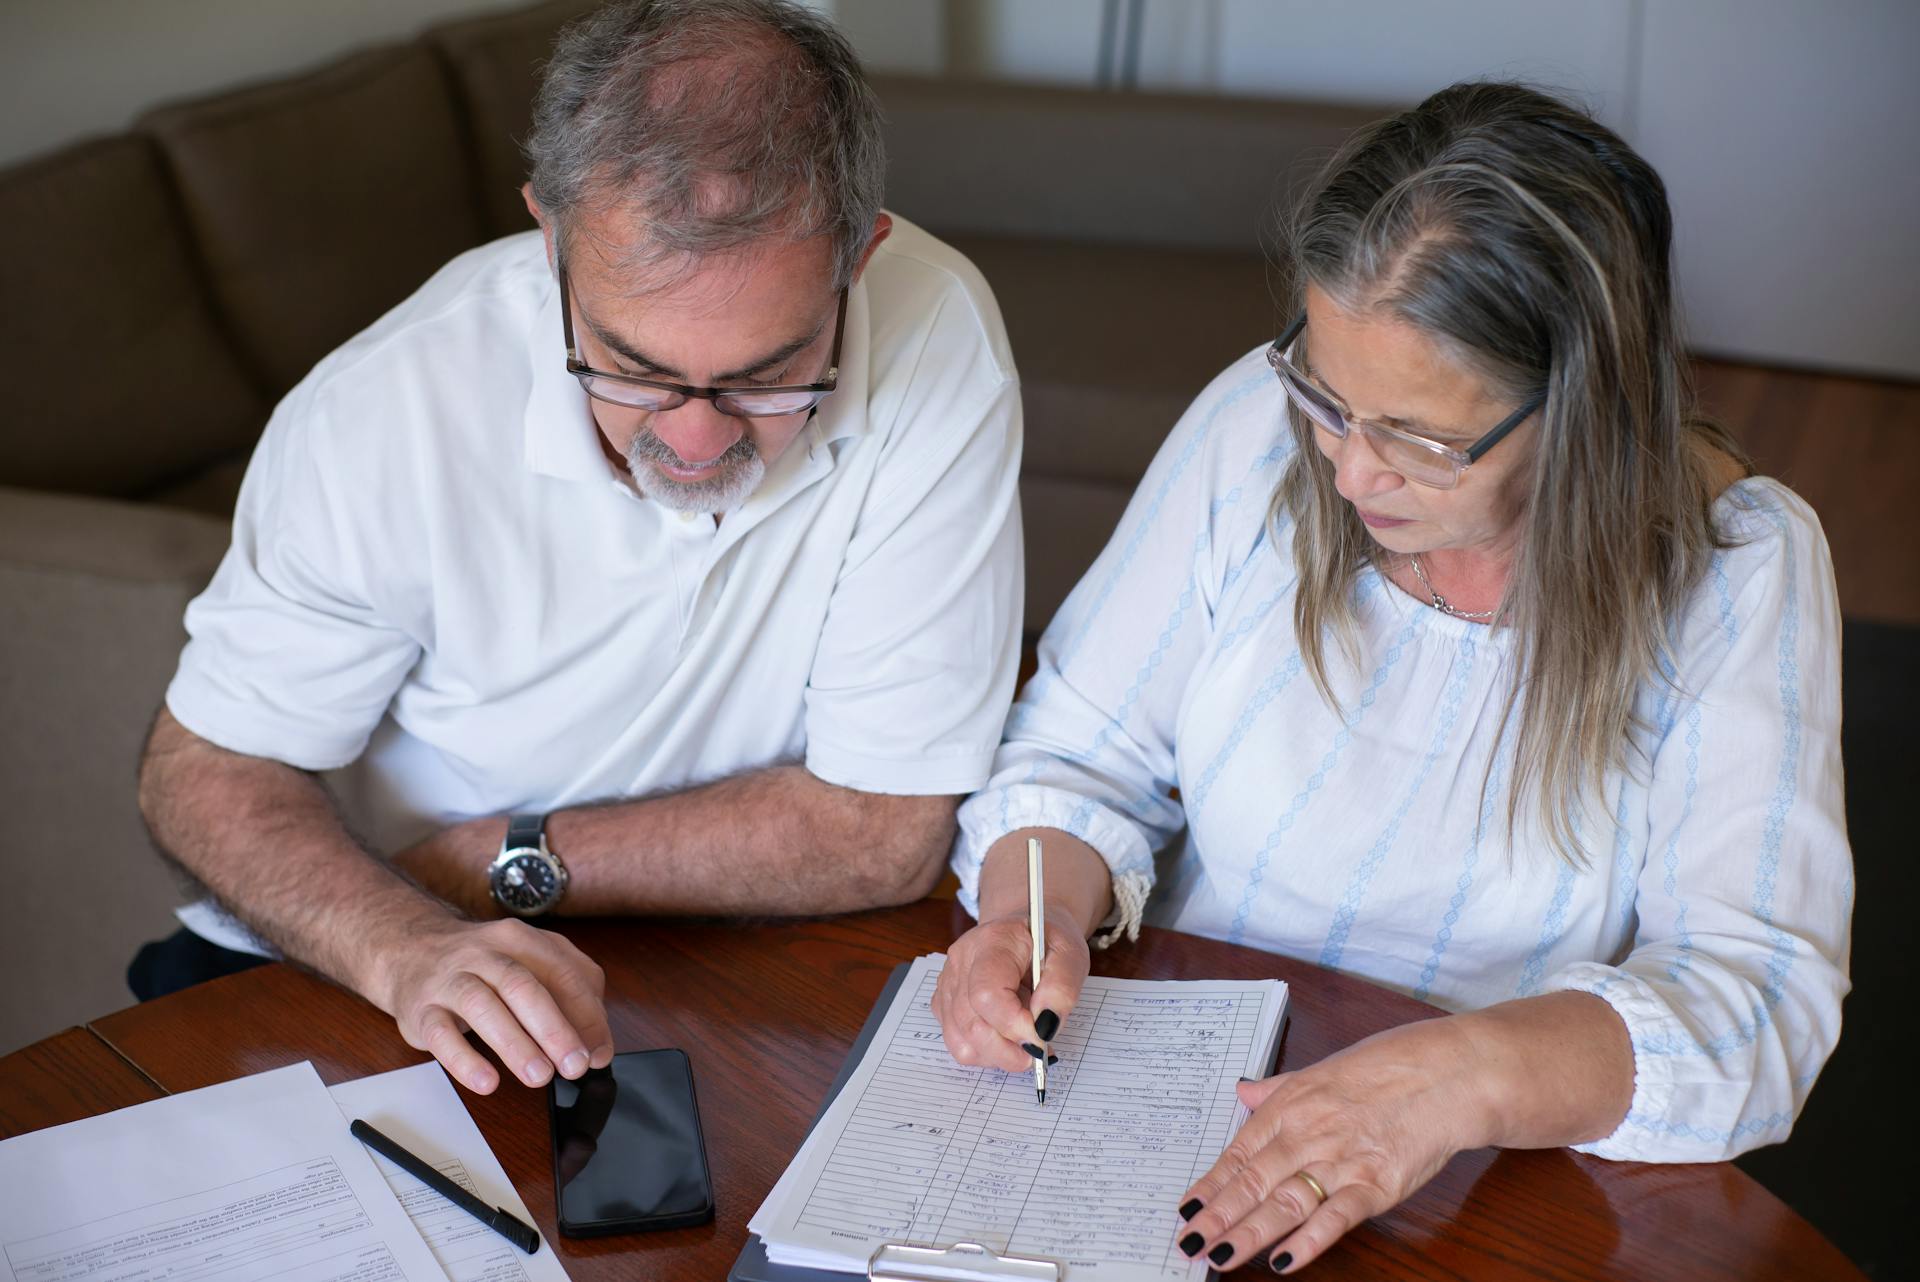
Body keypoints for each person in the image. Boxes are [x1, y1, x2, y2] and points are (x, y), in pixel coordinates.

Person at [935, 81, 1849, 1273]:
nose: (1352, 469)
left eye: (1419, 436)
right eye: (1326, 395)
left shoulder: (1737, 567)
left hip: (1493, 1175)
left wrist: (1447, 1078)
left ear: (1580, 404)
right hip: (1178, 1098)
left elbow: (1758, 997)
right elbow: (1079, 752)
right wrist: (1024, 915)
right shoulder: (1255, 433)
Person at [136, 0, 1022, 1097]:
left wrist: (494, 860)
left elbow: (886, 828)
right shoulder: (386, 410)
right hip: (383, 954)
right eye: (632, 365)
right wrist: (401, 937)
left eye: (768, 372)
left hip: (689, 940)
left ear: (862, 255)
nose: (695, 439)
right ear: (550, 240)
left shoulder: (938, 332)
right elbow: (207, 770)